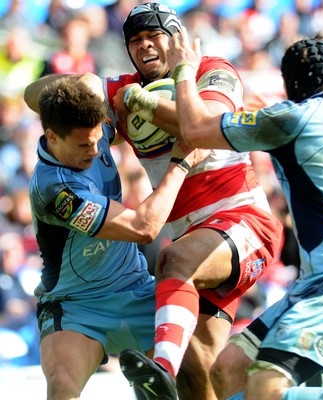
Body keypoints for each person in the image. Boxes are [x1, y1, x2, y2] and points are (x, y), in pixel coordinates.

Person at [166, 28, 323, 400]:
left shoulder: (294, 118)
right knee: (227, 369)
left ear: (291, 81)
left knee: (266, 384)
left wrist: (184, 72)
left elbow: (195, 129)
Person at [89, 3, 283, 399]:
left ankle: (159, 370)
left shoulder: (214, 70)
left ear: (176, 38)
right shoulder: (124, 86)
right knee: (202, 378)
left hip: (243, 220)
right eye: (135, 41)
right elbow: (43, 98)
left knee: (171, 258)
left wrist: (145, 101)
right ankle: (175, 375)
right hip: (197, 240)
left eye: (153, 36)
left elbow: (201, 127)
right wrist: (81, 85)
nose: (144, 46)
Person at [23, 73, 207, 400]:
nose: (96, 150)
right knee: (63, 387)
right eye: (84, 145)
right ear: (51, 137)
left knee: (199, 369)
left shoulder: (88, 130)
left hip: (136, 287)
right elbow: (144, 228)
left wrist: (81, 83)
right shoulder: (55, 190)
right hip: (76, 307)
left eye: (99, 140)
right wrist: (181, 163)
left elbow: (30, 94)